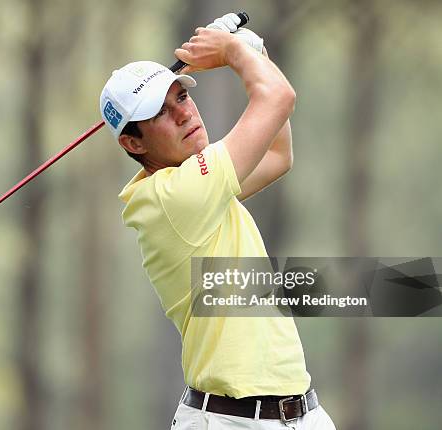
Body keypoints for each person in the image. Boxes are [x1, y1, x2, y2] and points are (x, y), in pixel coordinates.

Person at [99, 13, 336, 430]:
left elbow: (278, 155)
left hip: (301, 415)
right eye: (160, 112)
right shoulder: (178, 196)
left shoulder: (186, 188)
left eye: (182, 98)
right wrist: (233, 51)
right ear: (133, 142)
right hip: (230, 421)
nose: (184, 115)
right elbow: (278, 99)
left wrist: (254, 51)